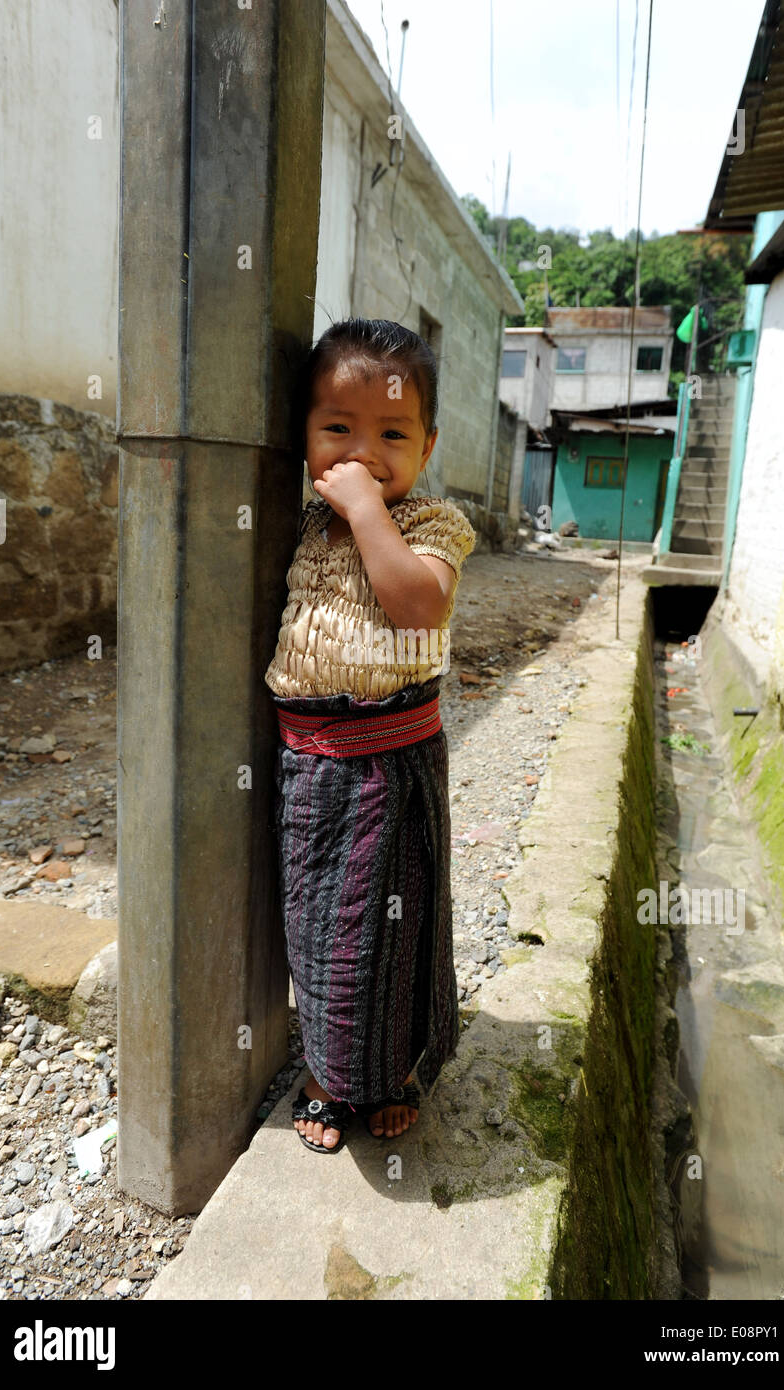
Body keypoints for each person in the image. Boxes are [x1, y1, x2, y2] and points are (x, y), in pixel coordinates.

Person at [264, 317, 476, 1153]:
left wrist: (361, 509)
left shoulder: (431, 526)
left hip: (389, 765)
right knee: (317, 928)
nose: (364, 452)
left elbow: (417, 603)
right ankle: (326, 1073)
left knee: (389, 929)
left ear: (426, 444)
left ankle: (387, 1076)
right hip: (307, 767)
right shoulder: (304, 525)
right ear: (304, 437)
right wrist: (340, 507)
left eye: (391, 433)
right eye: (337, 430)